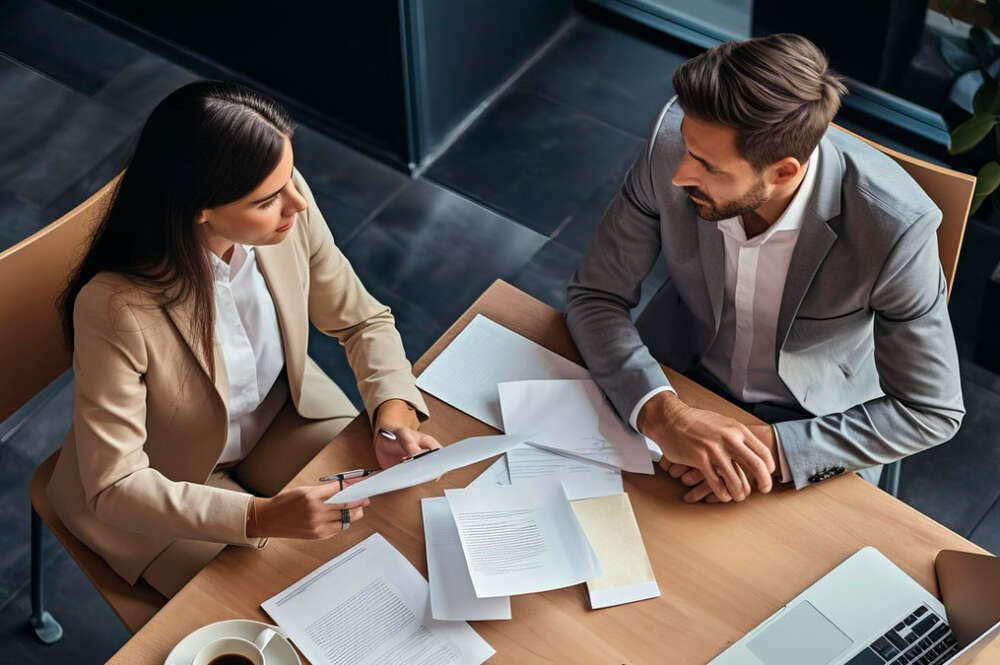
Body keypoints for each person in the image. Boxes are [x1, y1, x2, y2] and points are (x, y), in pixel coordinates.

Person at [48, 81, 441, 598]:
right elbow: (116, 484)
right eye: (269, 199)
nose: (297, 203)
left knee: (392, 530)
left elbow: (361, 320)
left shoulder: (284, 197)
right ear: (198, 209)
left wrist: (393, 413)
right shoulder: (113, 308)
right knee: (274, 601)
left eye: (289, 179)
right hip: (164, 483)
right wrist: (259, 516)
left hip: (283, 415)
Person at [565, 34, 965, 504]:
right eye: (688, 150)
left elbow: (930, 411)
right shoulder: (671, 144)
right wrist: (662, 413)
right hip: (673, 376)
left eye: (708, 166)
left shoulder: (896, 229)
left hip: (809, 427)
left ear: (783, 172)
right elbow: (595, 295)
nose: (679, 175)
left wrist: (763, 453)